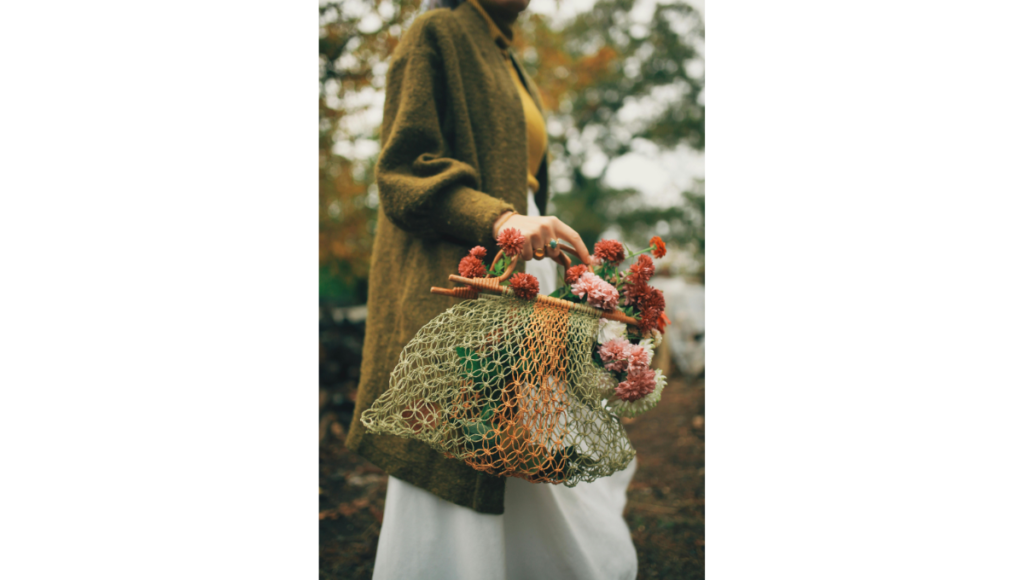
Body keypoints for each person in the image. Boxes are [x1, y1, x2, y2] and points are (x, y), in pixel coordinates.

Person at [345, 1, 639, 578]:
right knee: (462, 450)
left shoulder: (504, 52)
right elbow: (402, 172)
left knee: (526, 441)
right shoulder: (438, 32)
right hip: (467, 278)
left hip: (522, 271)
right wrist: (502, 221)